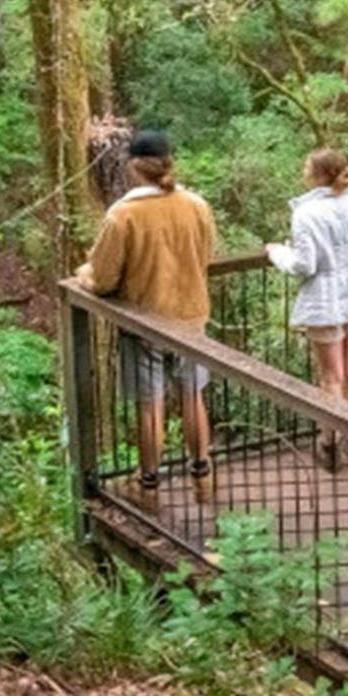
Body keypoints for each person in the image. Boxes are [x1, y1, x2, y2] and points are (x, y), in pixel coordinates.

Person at [76, 129, 217, 505]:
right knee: (192, 396)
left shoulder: (124, 214)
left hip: (145, 323)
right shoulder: (196, 205)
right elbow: (206, 257)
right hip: (190, 318)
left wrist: (84, 276)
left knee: (150, 404)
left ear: (134, 167)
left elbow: (104, 278)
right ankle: (203, 479)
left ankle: (149, 486)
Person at [265, 147, 348, 467]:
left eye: (306, 168)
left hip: (324, 296)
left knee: (330, 377)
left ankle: (329, 444)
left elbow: (304, 265)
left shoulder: (306, 213)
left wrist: (276, 253)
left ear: (317, 175)